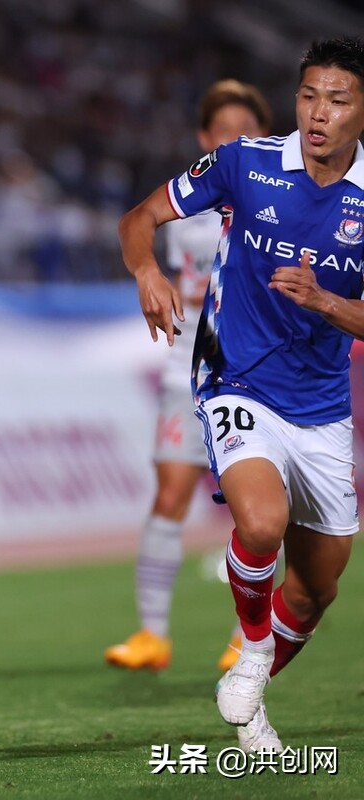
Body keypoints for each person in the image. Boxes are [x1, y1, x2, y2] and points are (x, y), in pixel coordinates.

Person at [120, 36, 364, 755]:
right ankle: (235, 647)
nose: (319, 113)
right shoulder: (246, 164)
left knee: (319, 589)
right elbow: (139, 219)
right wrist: (146, 273)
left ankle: (251, 684)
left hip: (321, 407)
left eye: (338, 100)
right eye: (309, 95)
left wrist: (327, 303)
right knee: (260, 524)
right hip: (236, 378)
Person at [106, 80, 271, 674]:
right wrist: (146, 271)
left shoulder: (280, 212)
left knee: (259, 515)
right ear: (205, 142)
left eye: (246, 133)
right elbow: (134, 226)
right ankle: (152, 634)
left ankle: (244, 638)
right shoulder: (184, 214)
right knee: (171, 495)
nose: (235, 142)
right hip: (189, 375)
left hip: (261, 381)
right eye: (224, 133)